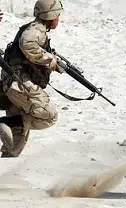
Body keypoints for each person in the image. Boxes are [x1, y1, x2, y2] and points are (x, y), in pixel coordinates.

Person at [0, 0, 63, 157]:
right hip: (19, 83)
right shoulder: (36, 29)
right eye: (57, 15)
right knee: (49, 115)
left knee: (14, 145)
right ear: (51, 15)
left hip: (15, 84)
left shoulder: (35, 29)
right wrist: (51, 60)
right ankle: (7, 123)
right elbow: (27, 44)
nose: (59, 19)